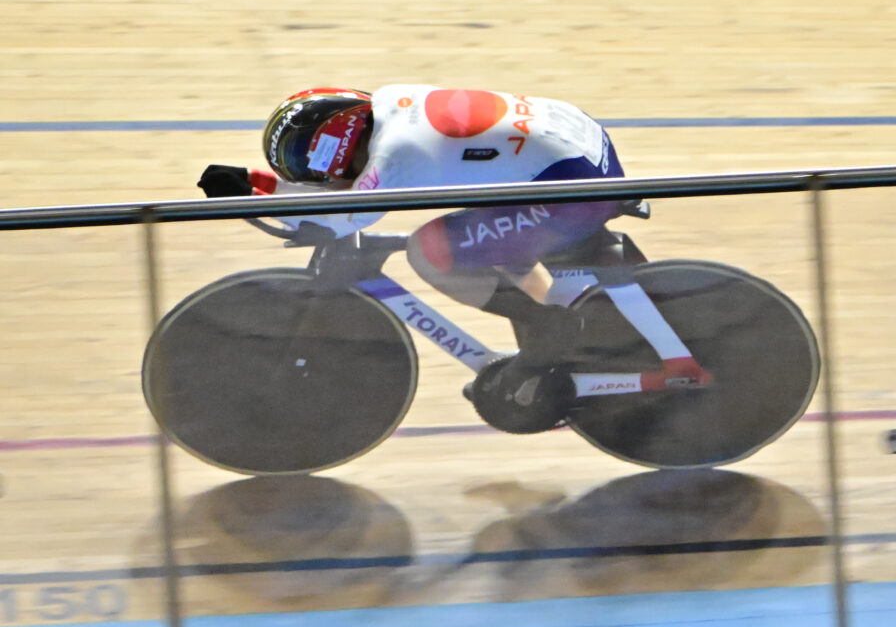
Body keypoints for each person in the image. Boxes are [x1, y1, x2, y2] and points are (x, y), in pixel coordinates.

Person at [201, 86, 645, 431]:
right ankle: (549, 340)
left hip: (570, 185)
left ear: (337, 145)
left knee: (431, 251)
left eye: (309, 165)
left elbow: (339, 220)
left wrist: (254, 199)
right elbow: (341, 192)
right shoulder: (388, 104)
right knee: (489, 243)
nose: (313, 177)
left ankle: (549, 329)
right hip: (576, 152)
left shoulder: (397, 155)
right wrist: (255, 181)